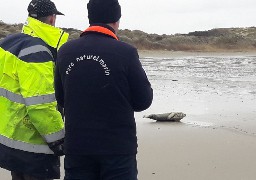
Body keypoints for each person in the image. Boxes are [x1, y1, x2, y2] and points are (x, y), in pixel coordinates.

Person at [54, 0, 153, 179]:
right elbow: (143, 101)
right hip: (117, 147)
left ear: (90, 18)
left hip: (77, 145)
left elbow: (61, 99)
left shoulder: (65, 52)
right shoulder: (126, 52)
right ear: (117, 20)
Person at [0, 0, 69, 179]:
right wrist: (59, 140)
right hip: (33, 146)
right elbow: (40, 106)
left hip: (9, 141)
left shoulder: (8, 43)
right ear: (52, 19)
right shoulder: (37, 52)